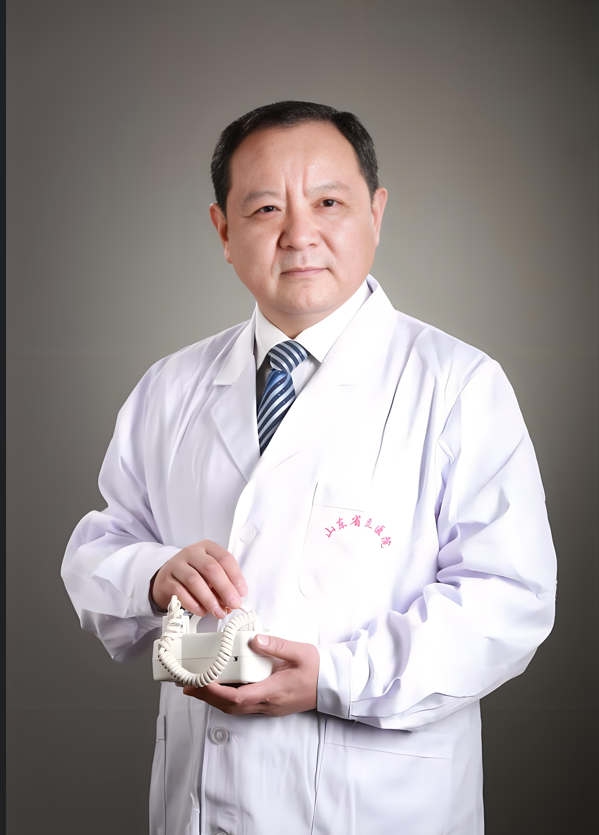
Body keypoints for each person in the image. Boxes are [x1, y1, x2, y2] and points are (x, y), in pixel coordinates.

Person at [61, 101, 557, 835]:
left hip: (381, 807)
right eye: (265, 208)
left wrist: (336, 679)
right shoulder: (170, 388)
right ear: (223, 231)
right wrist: (154, 574)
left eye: (328, 203)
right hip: (200, 805)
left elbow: (508, 599)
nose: (299, 234)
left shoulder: (458, 385)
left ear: (375, 213)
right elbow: (98, 552)